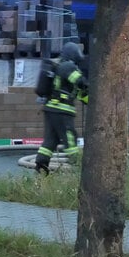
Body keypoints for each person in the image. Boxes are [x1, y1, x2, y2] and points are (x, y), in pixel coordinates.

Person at [34, 41, 88, 175]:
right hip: (62, 110)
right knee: (70, 136)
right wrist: (90, 84)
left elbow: (81, 94)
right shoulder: (68, 66)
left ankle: (41, 167)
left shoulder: (59, 67)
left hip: (51, 109)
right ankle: (77, 167)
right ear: (73, 54)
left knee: (50, 140)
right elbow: (80, 82)